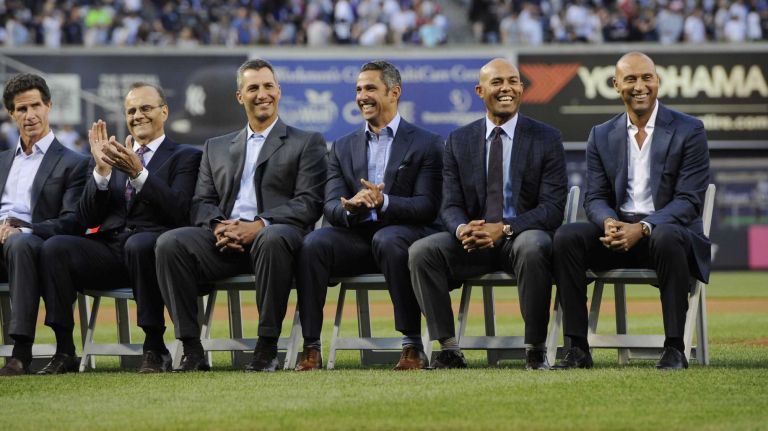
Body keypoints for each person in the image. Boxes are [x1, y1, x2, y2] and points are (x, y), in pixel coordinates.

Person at [155, 59, 327, 372]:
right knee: (170, 243)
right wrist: (219, 225)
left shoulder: (307, 142)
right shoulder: (215, 147)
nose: (262, 94)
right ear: (240, 96)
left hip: (277, 240)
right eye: (253, 88)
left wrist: (259, 225)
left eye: (268, 86)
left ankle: (266, 348)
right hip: (224, 241)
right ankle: (192, 349)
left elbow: (309, 203)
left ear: (279, 91)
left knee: (272, 238)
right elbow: (201, 202)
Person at [551, 52, 710, 371]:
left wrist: (645, 227)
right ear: (616, 85)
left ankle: (675, 348)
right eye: (631, 79)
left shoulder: (689, 130)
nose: (640, 86)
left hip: (667, 237)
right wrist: (609, 222)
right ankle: (577, 349)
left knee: (665, 236)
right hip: (617, 236)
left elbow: (689, 201)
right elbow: (594, 197)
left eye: (646, 78)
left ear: (657, 81)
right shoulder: (600, 134)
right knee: (567, 237)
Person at [408, 58, 567, 370]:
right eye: (497, 82)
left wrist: (505, 228)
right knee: (421, 251)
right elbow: (449, 205)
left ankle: (535, 349)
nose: (506, 88)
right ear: (480, 91)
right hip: (472, 243)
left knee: (533, 245)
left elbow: (552, 208)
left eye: (513, 81)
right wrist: (461, 229)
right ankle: (449, 349)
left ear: (522, 89)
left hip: (520, 239)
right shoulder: (458, 140)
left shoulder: (546, 137)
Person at [35, 83, 202, 375]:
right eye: (132, 111)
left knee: (138, 245)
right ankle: (64, 351)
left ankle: (154, 348)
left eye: (146, 108)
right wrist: (101, 172)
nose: (138, 115)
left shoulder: (185, 156)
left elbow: (179, 210)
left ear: (164, 111)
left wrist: (139, 173)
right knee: (55, 248)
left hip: (153, 250)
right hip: (110, 251)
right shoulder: (110, 157)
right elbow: (86, 218)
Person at [294, 61, 443, 371]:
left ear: (394, 92)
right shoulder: (342, 147)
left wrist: (383, 201)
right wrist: (350, 206)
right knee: (313, 243)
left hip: (404, 237)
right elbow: (331, 206)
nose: (362, 96)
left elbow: (427, 206)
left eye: (370, 88)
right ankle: (311, 346)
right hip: (357, 239)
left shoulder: (427, 143)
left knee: (388, 239)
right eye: (359, 90)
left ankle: (412, 345)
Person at [0, 73, 89, 377]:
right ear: (11, 114)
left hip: (35, 244)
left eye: (35, 106)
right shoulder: (1, 162)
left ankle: (20, 352)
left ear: (49, 106)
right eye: (21, 109)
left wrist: (20, 227)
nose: (30, 115)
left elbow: (70, 221)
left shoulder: (73, 163)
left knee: (20, 242)